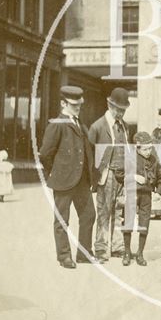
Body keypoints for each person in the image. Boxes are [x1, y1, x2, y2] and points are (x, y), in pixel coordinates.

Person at [39, 86, 96, 269]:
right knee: (62, 219)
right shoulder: (57, 124)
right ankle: (64, 256)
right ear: (63, 103)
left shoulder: (79, 122)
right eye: (73, 104)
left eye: (79, 104)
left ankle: (84, 253)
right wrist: (55, 172)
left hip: (82, 181)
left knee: (88, 215)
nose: (78, 107)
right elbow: (45, 154)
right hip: (64, 181)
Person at [88, 88, 130, 263]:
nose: (120, 112)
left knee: (120, 211)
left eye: (123, 110)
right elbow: (90, 153)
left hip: (122, 174)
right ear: (109, 105)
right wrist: (93, 179)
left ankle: (118, 247)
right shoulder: (98, 126)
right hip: (107, 174)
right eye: (117, 109)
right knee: (104, 212)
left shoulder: (125, 126)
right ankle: (101, 249)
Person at [120, 131, 161, 267]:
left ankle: (140, 253)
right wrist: (133, 177)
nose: (148, 151)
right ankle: (127, 253)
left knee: (144, 224)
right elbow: (119, 173)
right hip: (131, 193)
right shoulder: (129, 157)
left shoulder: (153, 159)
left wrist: (158, 192)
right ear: (137, 147)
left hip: (146, 195)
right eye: (145, 149)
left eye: (150, 148)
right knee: (128, 223)